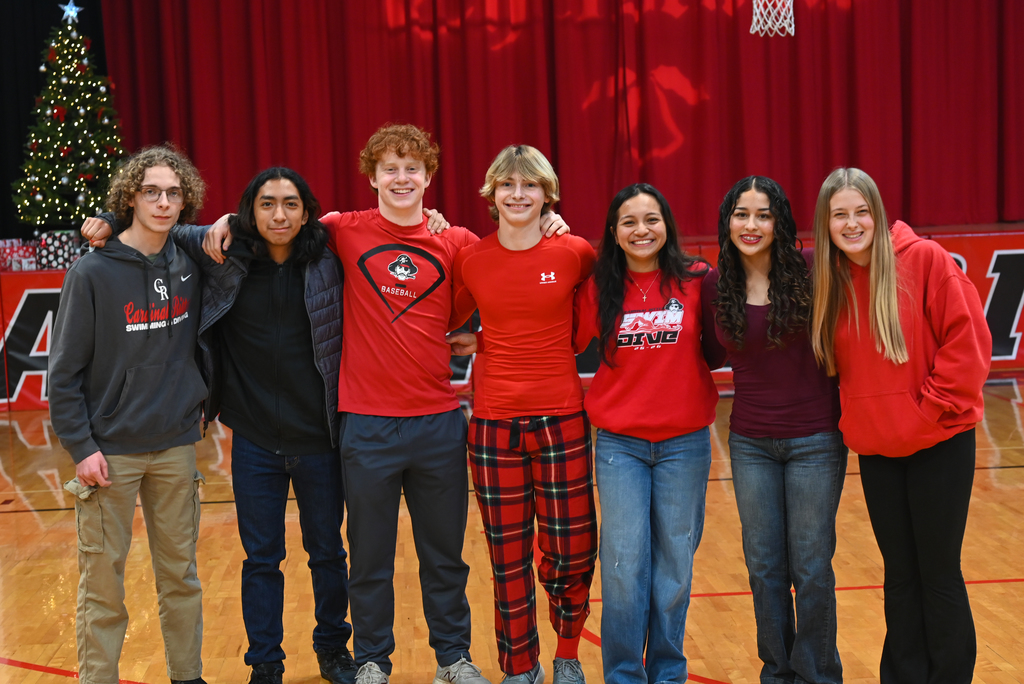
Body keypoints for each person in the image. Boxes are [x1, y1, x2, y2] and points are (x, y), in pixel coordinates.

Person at [202, 124, 568, 684]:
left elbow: (517, 269)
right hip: (366, 425)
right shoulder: (341, 231)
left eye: (412, 168)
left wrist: (548, 223)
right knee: (369, 559)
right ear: (371, 176)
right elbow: (278, 223)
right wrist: (229, 219)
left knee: (444, 556)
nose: (402, 178)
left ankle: (453, 658)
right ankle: (373, 658)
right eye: (390, 168)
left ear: (429, 178)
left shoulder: (460, 242)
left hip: (438, 424)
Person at [82, 167, 355, 684]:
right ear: (248, 212)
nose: (280, 215)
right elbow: (163, 224)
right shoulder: (224, 259)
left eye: (291, 204)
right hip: (253, 438)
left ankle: (332, 649)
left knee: (328, 553)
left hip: (320, 436)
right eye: (268, 204)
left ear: (306, 210)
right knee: (261, 559)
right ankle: (265, 663)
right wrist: (107, 217)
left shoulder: (327, 259)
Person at [809, 168, 991, 684]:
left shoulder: (925, 260)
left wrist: (928, 410)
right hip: (878, 449)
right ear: (826, 224)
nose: (851, 223)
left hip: (939, 442)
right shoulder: (830, 280)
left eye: (861, 211)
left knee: (938, 574)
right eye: (839, 215)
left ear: (878, 212)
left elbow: (968, 342)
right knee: (900, 576)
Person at [50, 145, 209, 684]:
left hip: (175, 444)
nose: (163, 202)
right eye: (151, 192)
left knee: (181, 579)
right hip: (108, 453)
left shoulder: (191, 264)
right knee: (103, 584)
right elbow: (64, 373)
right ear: (130, 198)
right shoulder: (93, 272)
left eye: (173, 193)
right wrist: (81, 447)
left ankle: (188, 676)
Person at [448, 145, 597, 684]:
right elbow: (447, 320)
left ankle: (567, 654)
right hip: (492, 426)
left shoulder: (576, 252)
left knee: (571, 549)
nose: (518, 194)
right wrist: (481, 343)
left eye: (529, 185)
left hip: (562, 421)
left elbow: (589, 323)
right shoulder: (472, 259)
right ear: (491, 194)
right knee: (507, 556)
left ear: (546, 194)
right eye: (507, 185)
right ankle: (519, 669)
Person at [701, 176, 845, 684]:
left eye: (763, 214)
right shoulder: (716, 284)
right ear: (728, 222)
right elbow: (703, 352)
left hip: (815, 441)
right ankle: (778, 673)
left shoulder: (813, 271)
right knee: (764, 569)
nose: (752, 224)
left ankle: (818, 674)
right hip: (750, 443)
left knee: (810, 569)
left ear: (780, 222)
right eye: (742, 214)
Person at [573, 183, 717, 684]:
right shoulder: (596, 288)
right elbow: (543, 330)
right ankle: (623, 676)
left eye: (651, 219)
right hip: (620, 447)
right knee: (621, 569)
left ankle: (668, 673)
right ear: (614, 232)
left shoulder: (698, 279)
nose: (641, 230)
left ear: (667, 226)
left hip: (685, 445)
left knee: (674, 569)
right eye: (629, 222)